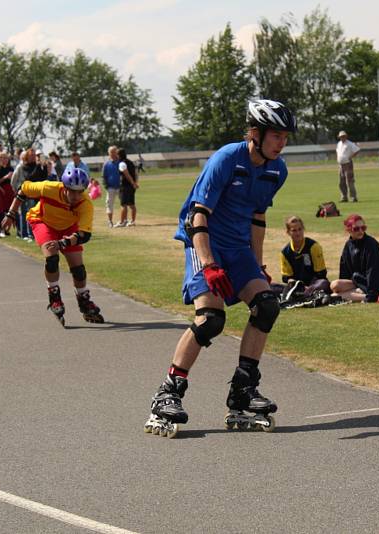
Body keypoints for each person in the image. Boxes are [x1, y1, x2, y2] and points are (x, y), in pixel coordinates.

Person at [144, 99, 296, 438]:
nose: (282, 142)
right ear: (255, 134)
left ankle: (242, 390)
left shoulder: (277, 170)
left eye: (285, 136)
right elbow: (198, 214)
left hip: (239, 248)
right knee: (211, 320)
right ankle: (168, 392)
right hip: (205, 242)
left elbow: (258, 217)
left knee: (267, 305)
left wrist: (258, 266)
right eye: (276, 135)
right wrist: (209, 263)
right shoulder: (227, 158)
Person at [1, 167, 104, 326]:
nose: (76, 196)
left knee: (78, 269)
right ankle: (54, 296)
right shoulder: (48, 188)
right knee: (52, 259)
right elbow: (23, 190)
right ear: (64, 187)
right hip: (42, 221)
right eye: (72, 191)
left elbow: (84, 235)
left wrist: (63, 242)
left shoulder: (85, 203)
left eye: (80, 191)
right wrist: (10, 214)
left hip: (69, 227)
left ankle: (83, 300)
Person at [331, 214, 379, 303]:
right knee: (334, 285)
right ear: (348, 230)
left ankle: (369, 296)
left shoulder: (371, 245)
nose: (360, 231)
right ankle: (358, 293)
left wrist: (372, 291)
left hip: (375, 284)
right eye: (356, 229)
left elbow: (374, 271)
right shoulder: (348, 246)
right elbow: (344, 271)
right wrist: (343, 289)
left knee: (334, 296)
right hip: (358, 282)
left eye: (363, 228)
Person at [279, 215, 330, 298]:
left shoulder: (313, 246)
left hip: (315, 283)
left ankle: (302, 294)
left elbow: (321, 273)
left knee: (323, 283)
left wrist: (308, 287)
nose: (298, 233)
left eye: (300, 229)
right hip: (296, 286)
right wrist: (293, 282)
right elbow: (287, 277)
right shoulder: (285, 252)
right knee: (271, 287)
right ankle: (304, 294)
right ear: (288, 232)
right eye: (294, 230)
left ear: (303, 229)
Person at [336, 130, 360, 203]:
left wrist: (350, 157)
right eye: (341, 136)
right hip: (341, 165)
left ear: (346, 136)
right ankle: (344, 197)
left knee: (349, 181)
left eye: (343, 136)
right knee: (341, 182)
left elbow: (357, 150)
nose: (342, 137)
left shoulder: (350, 144)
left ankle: (353, 197)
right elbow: (337, 151)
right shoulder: (339, 144)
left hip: (348, 164)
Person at [101, 146, 122, 228]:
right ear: (109, 153)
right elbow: (103, 176)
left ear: (117, 152)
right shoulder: (106, 164)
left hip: (120, 187)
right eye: (111, 152)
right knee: (109, 205)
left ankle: (123, 220)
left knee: (123, 204)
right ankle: (110, 221)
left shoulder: (121, 162)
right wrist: (106, 186)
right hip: (110, 188)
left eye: (114, 152)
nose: (113, 154)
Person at [118, 148, 139, 227]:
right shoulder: (130, 162)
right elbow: (135, 173)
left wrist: (133, 183)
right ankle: (133, 221)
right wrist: (135, 183)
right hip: (131, 187)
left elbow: (126, 174)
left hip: (125, 186)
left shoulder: (122, 164)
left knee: (123, 204)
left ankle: (122, 222)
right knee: (131, 204)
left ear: (119, 155)